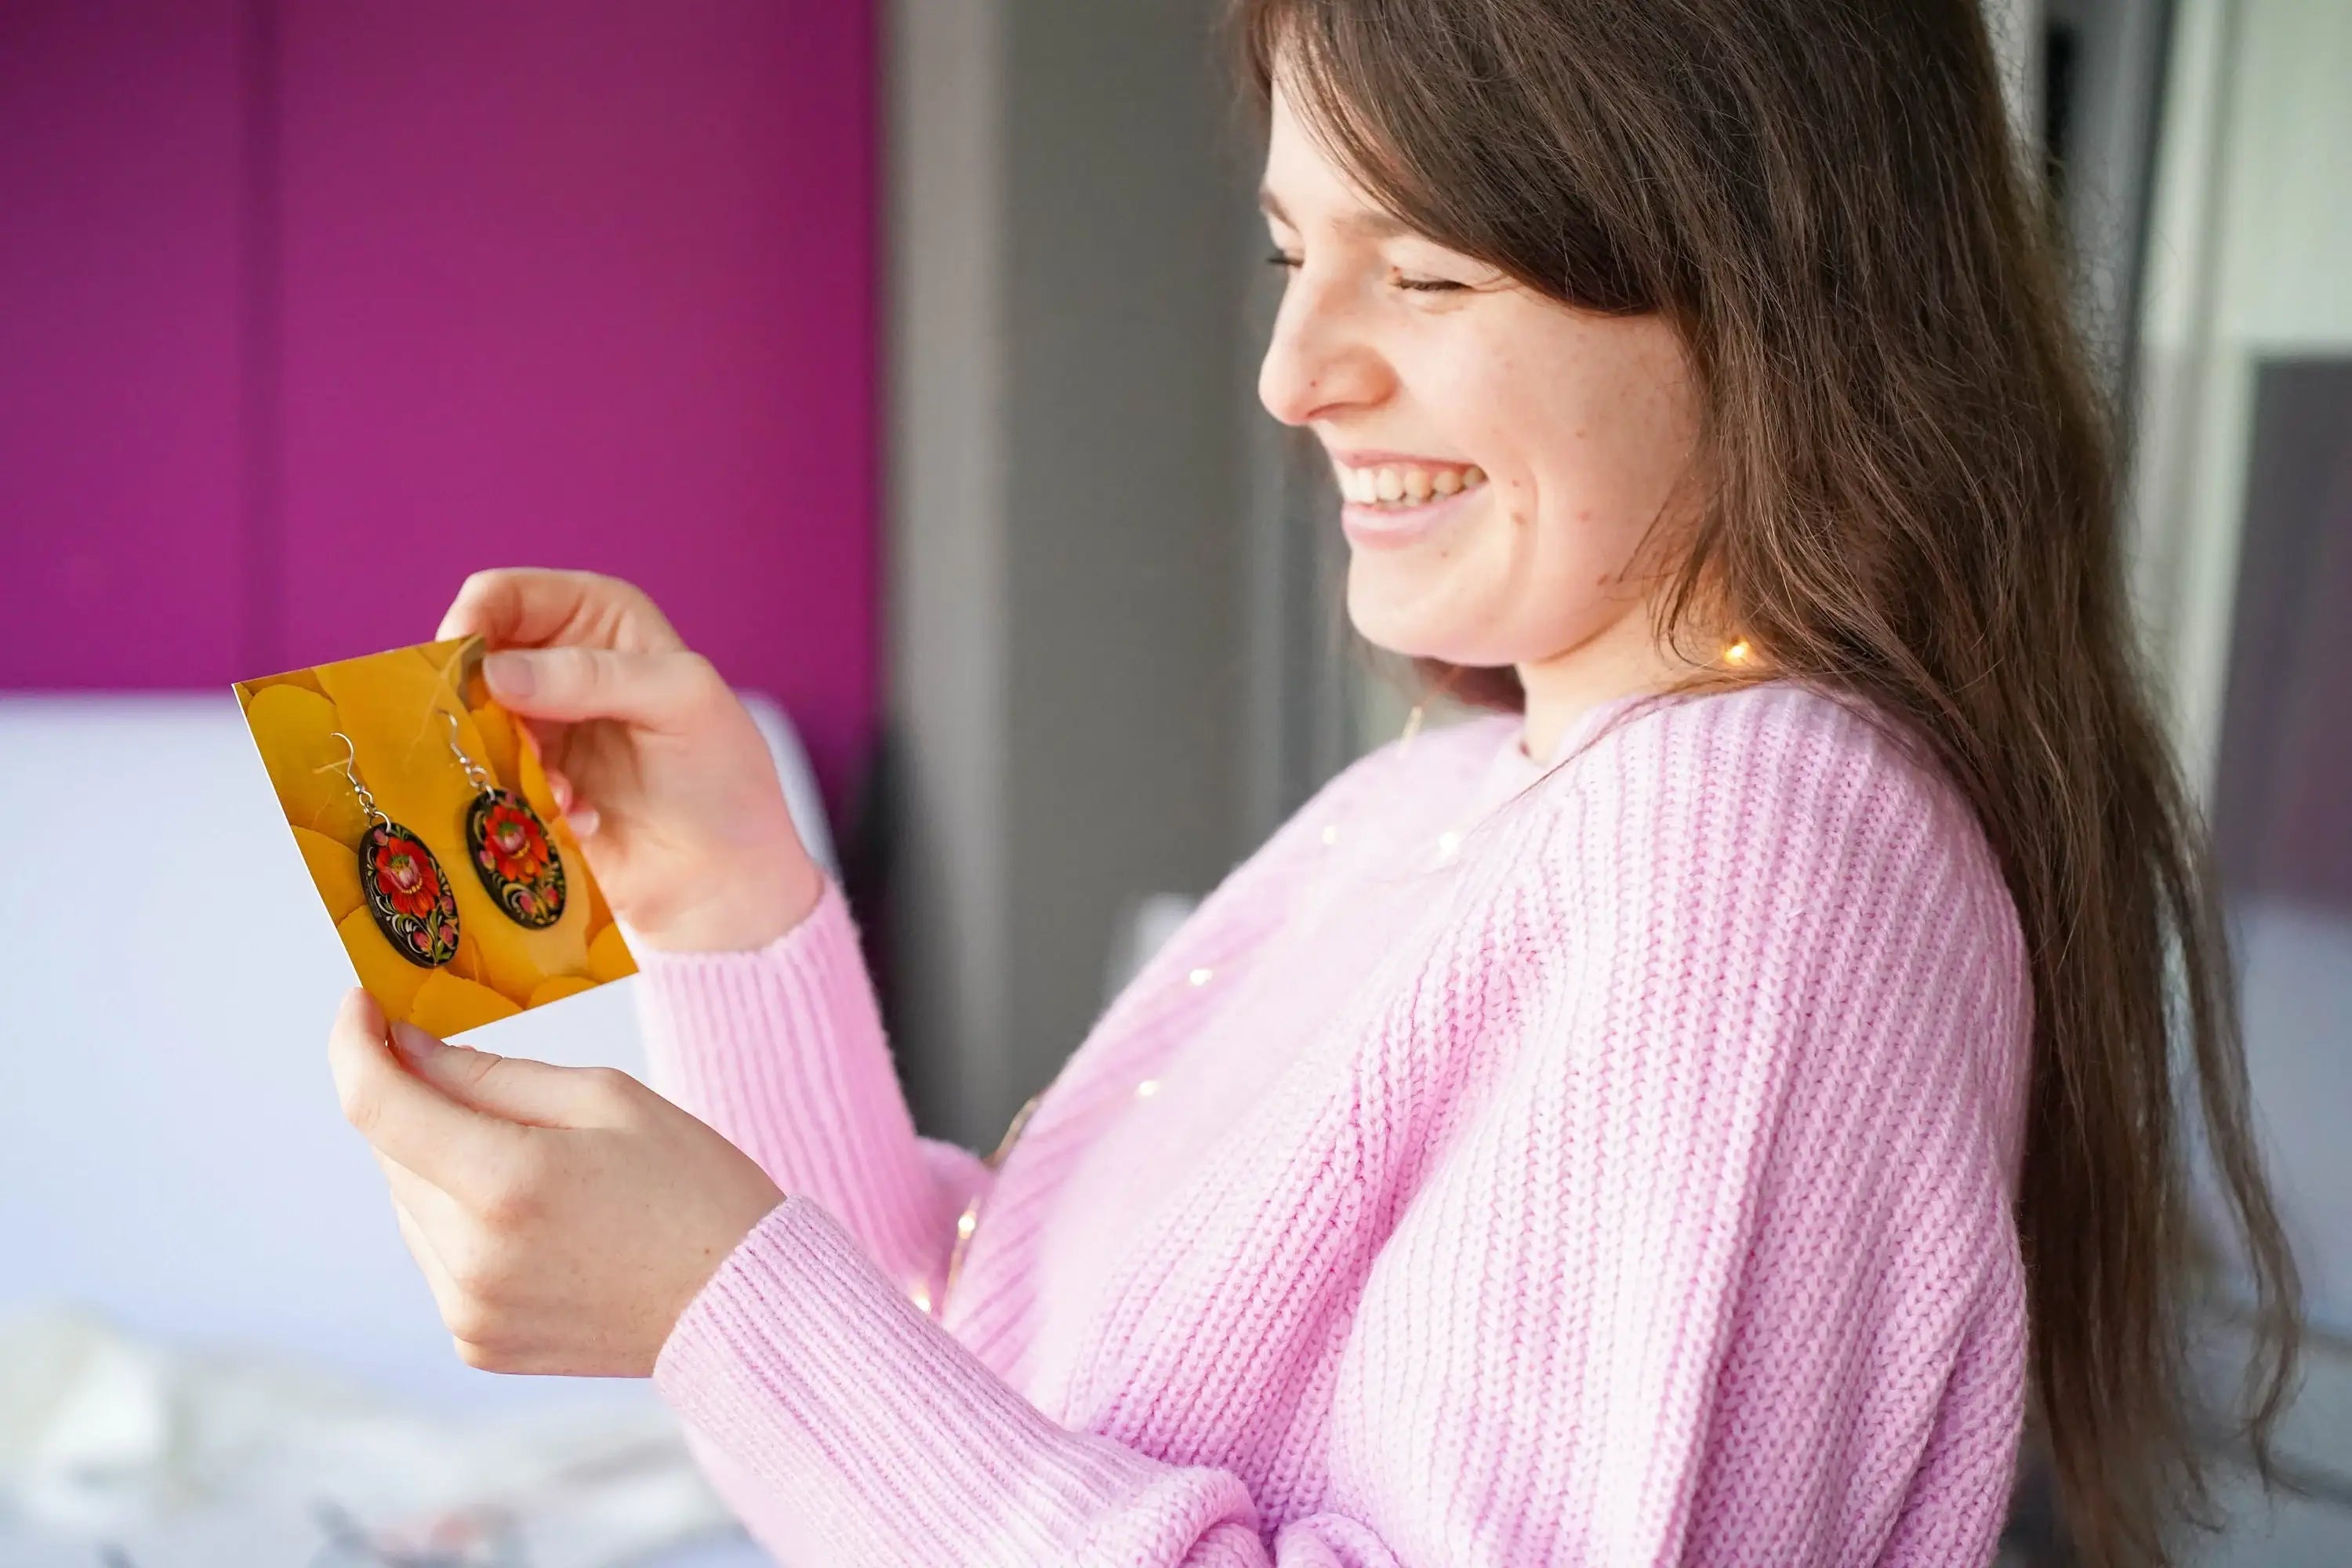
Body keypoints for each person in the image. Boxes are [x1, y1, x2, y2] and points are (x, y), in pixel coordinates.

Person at [324, 2, 2301, 1563]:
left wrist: (707, 1292)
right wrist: (728, 896)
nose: (1291, 368)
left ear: (1765, 285)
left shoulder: (1742, 855)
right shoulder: (1442, 802)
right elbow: (978, 1408)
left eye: (1424, 273)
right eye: (1291, 248)